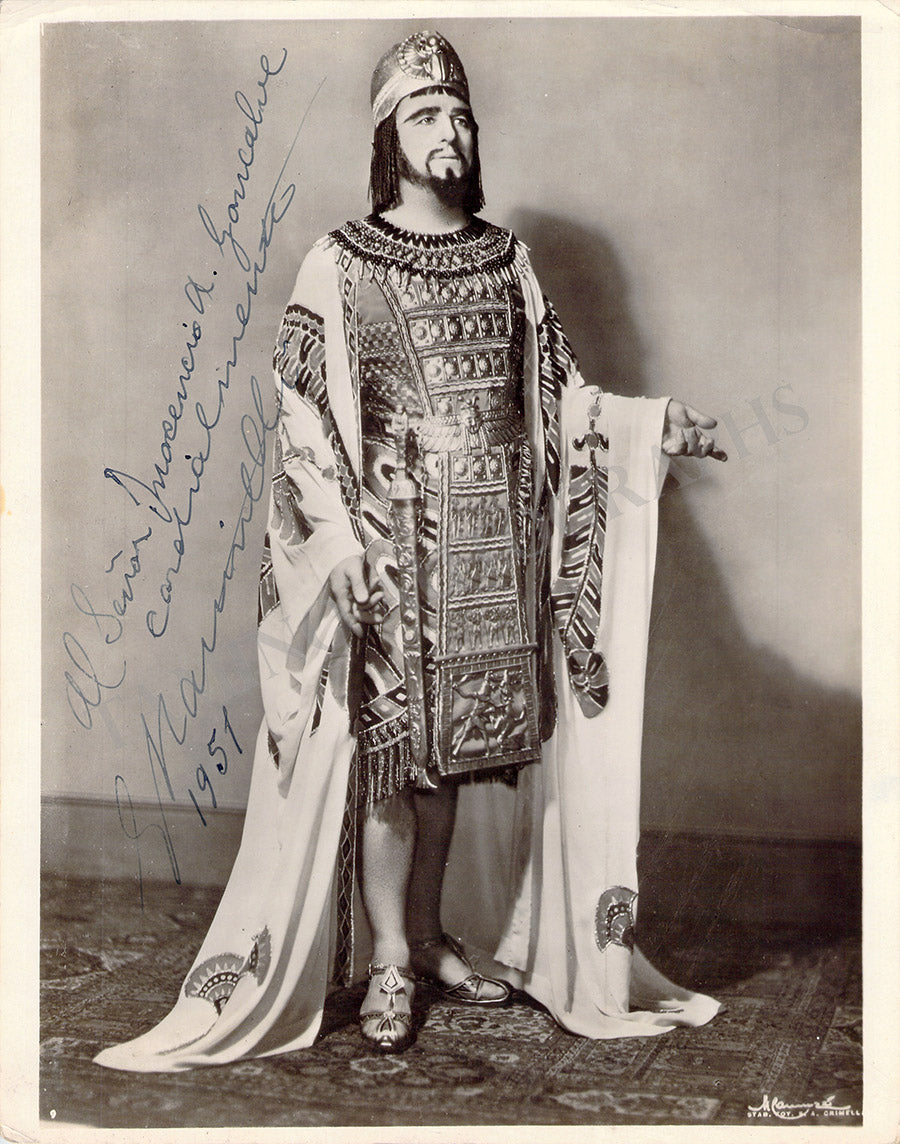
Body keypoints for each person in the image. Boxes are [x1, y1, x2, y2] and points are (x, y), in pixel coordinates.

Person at [96, 30, 724, 1071]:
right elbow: (302, 412)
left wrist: (655, 425)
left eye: (462, 115)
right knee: (395, 759)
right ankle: (390, 953)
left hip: (491, 553)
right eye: (429, 114)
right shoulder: (340, 260)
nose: (452, 131)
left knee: (450, 765)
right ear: (390, 134)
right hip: (391, 556)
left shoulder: (508, 259)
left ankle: (428, 936)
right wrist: (337, 542)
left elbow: (560, 398)